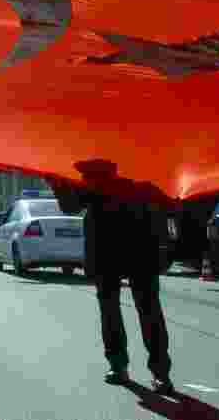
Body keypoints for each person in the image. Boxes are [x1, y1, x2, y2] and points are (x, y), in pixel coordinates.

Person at [75, 159, 174, 395]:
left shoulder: (102, 189)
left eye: (86, 176)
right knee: (143, 311)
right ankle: (156, 373)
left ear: (99, 176)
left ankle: (125, 368)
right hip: (125, 256)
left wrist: (55, 181)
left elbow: (69, 205)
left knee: (119, 311)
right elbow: (170, 206)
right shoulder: (137, 187)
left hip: (128, 256)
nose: (83, 180)